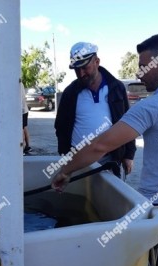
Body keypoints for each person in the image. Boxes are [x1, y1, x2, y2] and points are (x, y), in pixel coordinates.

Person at [51, 34, 158, 266]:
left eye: (144, 66)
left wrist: (65, 170)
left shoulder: (153, 105)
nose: (138, 72)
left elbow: (100, 146)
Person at [54, 42, 136, 178]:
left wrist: (129, 155)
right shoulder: (70, 93)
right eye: (76, 69)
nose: (81, 73)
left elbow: (128, 123)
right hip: (78, 160)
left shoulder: (116, 88)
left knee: (108, 199)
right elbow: (61, 127)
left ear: (97, 62)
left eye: (85, 67)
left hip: (110, 159)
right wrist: (66, 161)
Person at [21, 83, 32, 154]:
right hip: (24, 110)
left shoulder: (15, 84)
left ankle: (22, 148)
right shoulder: (21, 83)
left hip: (20, 110)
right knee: (24, 127)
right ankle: (28, 146)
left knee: (20, 129)